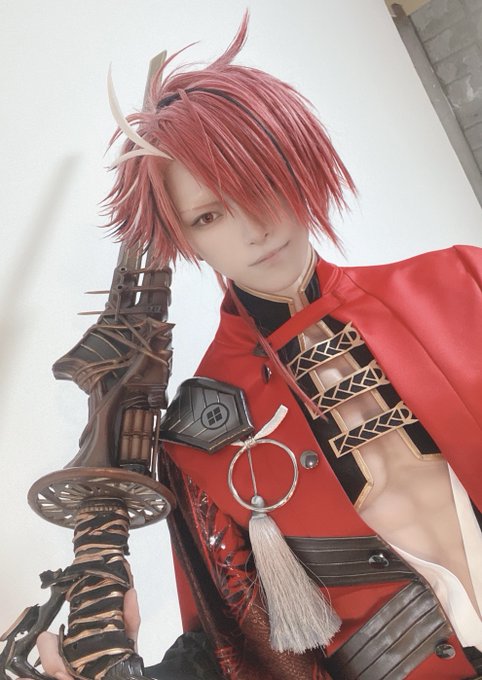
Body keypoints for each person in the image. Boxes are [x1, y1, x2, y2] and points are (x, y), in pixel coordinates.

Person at [33, 13, 482, 680]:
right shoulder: (198, 440)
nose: (253, 229)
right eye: (209, 215)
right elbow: (240, 647)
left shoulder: (462, 281)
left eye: (257, 183)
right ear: (184, 239)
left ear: (298, 163)